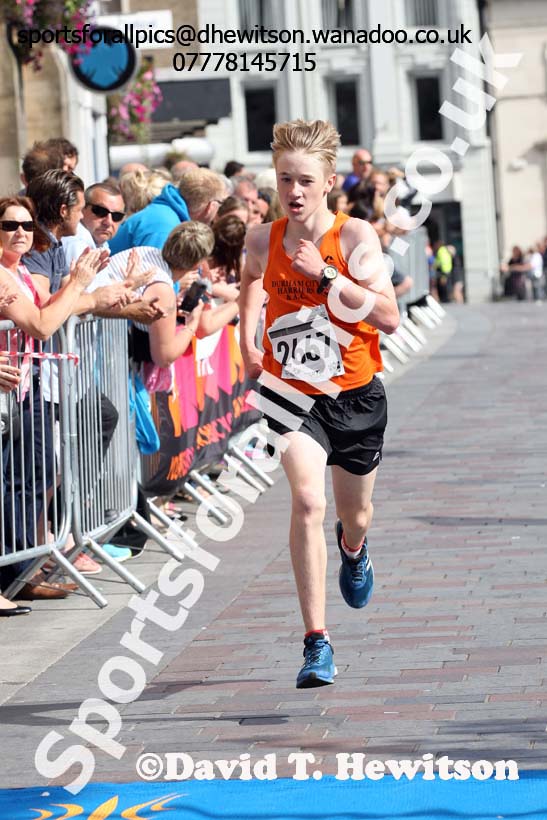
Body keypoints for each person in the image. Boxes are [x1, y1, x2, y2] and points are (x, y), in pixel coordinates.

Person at [239, 119, 399, 689]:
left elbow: (388, 316)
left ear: (329, 181)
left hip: (354, 394)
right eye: (285, 179)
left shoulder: (354, 239)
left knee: (352, 514)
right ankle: (316, 643)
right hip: (290, 394)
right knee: (308, 501)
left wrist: (327, 276)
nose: (295, 191)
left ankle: (354, 551)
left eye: (306, 179)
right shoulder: (262, 238)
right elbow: (251, 277)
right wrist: (247, 337)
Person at [0, 196, 103, 600]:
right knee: (20, 480)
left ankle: (23, 569)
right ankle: (15, 574)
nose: (22, 232)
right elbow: (43, 325)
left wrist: (97, 294)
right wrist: (78, 284)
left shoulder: (19, 271)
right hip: (14, 393)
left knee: (35, 473)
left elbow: (49, 310)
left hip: (26, 388)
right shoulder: (5, 276)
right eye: (10, 226)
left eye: (27, 226)